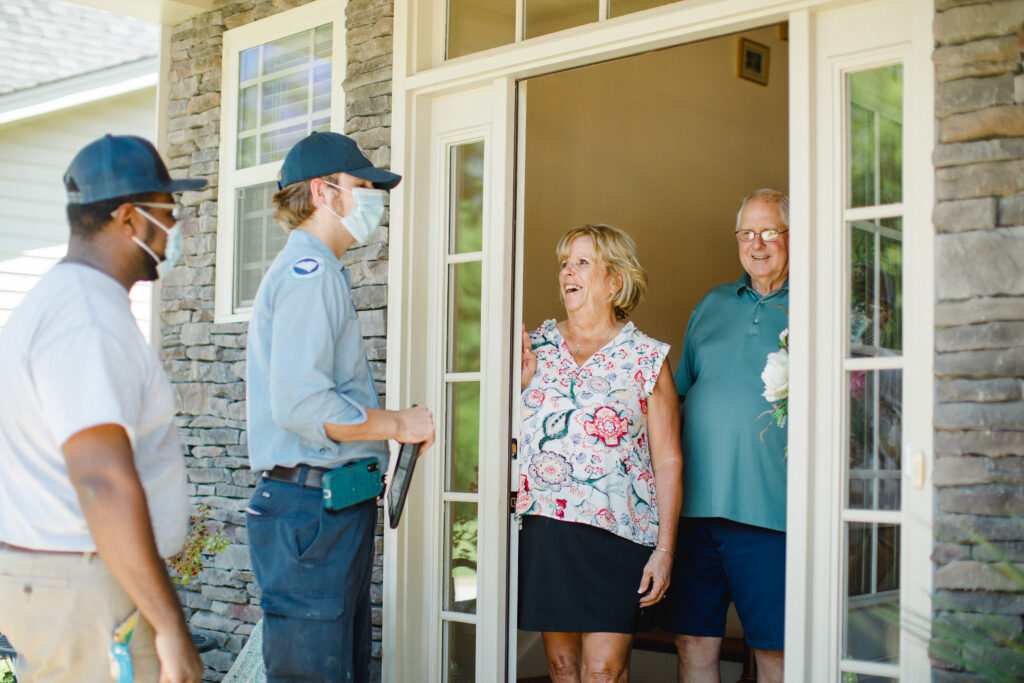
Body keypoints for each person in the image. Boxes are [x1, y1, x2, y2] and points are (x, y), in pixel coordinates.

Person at [0, 134, 207, 682]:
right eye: (168, 211)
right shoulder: (86, 317)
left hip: (66, 580)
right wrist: (170, 628)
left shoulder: (63, 300)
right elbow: (101, 480)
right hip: (87, 588)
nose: (175, 226)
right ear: (130, 218)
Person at [244, 131, 435, 682]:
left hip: (323, 510)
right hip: (311, 514)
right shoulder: (310, 275)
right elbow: (304, 404)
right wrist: (398, 423)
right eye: (364, 186)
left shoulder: (318, 270)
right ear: (325, 193)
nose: (375, 196)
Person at [517, 224, 683, 682]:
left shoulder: (647, 358)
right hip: (547, 528)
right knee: (562, 667)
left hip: (620, 535)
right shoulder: (535, 347)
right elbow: (500, 437)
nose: (567, 272)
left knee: (605, 671)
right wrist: (519, 384)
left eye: (582, 262)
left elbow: (668, 460)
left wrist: (665, 550)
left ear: (615, 280)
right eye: (564, 264)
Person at [661, 189, 789, 683]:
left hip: (770, 512)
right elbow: (676, 397)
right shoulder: (712, 304)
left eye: (770, 232)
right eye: (746, 233)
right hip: (694, 514)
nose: (757, 244)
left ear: (790, 236)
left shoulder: (816, 307)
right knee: (693, 642)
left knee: (775, 649)